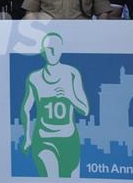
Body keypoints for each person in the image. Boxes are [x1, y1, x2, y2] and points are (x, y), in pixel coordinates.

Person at [21, 33, 89, 178]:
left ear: (61, 50)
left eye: (55, 48)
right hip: (44, 139)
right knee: (52, 177)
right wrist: (27, 137)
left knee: (71, 178)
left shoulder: (72, 74)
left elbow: (85, 109)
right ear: (42, 51)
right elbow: (26, 108)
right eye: (48, 48)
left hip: (69, 139)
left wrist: (69, 96)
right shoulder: (34, 78)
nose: (52, 52)